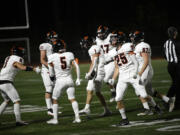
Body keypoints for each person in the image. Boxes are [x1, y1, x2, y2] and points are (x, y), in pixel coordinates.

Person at [108, 33, 151, 126]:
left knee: (143, 95)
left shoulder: (127, 47)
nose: (112, 41)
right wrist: (113, 78)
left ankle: (155, 106)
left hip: (132, 74)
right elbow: (116, 67)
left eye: (114, 39)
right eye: (112, 39)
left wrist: (136, 73)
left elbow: (135, 62)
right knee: (118, 98)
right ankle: (124, 119)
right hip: (122, 77)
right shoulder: (112, 52)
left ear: (119, 39)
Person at [0, 46, 41, 126]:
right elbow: (22, 67)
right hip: (6, 81)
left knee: (7, 101)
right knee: (16, 101)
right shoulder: (18, 58)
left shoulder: (8, 57)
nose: (23, 53)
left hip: (1, 80)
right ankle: (18, 121)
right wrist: (34, 69)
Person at [46, 39, 81, 124]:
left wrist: (52, 79)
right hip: (69, 80)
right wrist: (78, 78)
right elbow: (76, 66)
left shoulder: (52, 57)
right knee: (72, 98)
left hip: (60, 81)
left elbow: (51, 72)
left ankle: (55, 119)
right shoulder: (69, 54)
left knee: (54, 99)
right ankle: (77, 118)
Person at [79, 35, 112, 116]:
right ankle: (107, 110)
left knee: (89, 89)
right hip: (99, 71)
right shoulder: (95, 47)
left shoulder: (93, 48)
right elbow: (94, 62)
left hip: (98, 72)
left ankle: (87, 108)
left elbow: (95, 61)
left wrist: (90, 73)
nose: (83, 45)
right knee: (97, 92)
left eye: (84, 43)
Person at [39, 30, 59, 116]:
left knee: (55, 89)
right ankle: (49, 109)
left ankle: (53, 109)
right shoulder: (45, 45)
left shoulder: (55, 45)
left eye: (55, 38)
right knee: (49, 89)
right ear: (49, 38)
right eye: (54, 38)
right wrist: (50, 66)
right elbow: (42, 60)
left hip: (54, 69)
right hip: (46, 69)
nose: (55, 39)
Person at [96, 25, 116, 102]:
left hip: (112, 61)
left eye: (101, 33)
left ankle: (113, 92)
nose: (99, 35)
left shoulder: (111, 37)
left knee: (106, 79)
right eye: (99, 33)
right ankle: (114, 88)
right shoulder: (97, 40)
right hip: (103, 62)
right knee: (105, 79)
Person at [164, 26, 180, 111]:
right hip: (177, 66)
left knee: (176, 83)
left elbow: (165, 56)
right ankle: (168, 101)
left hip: (170, 66)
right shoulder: (177, 43)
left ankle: (174, 103)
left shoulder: (166, 43)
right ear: (174, 33)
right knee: (176, 84)